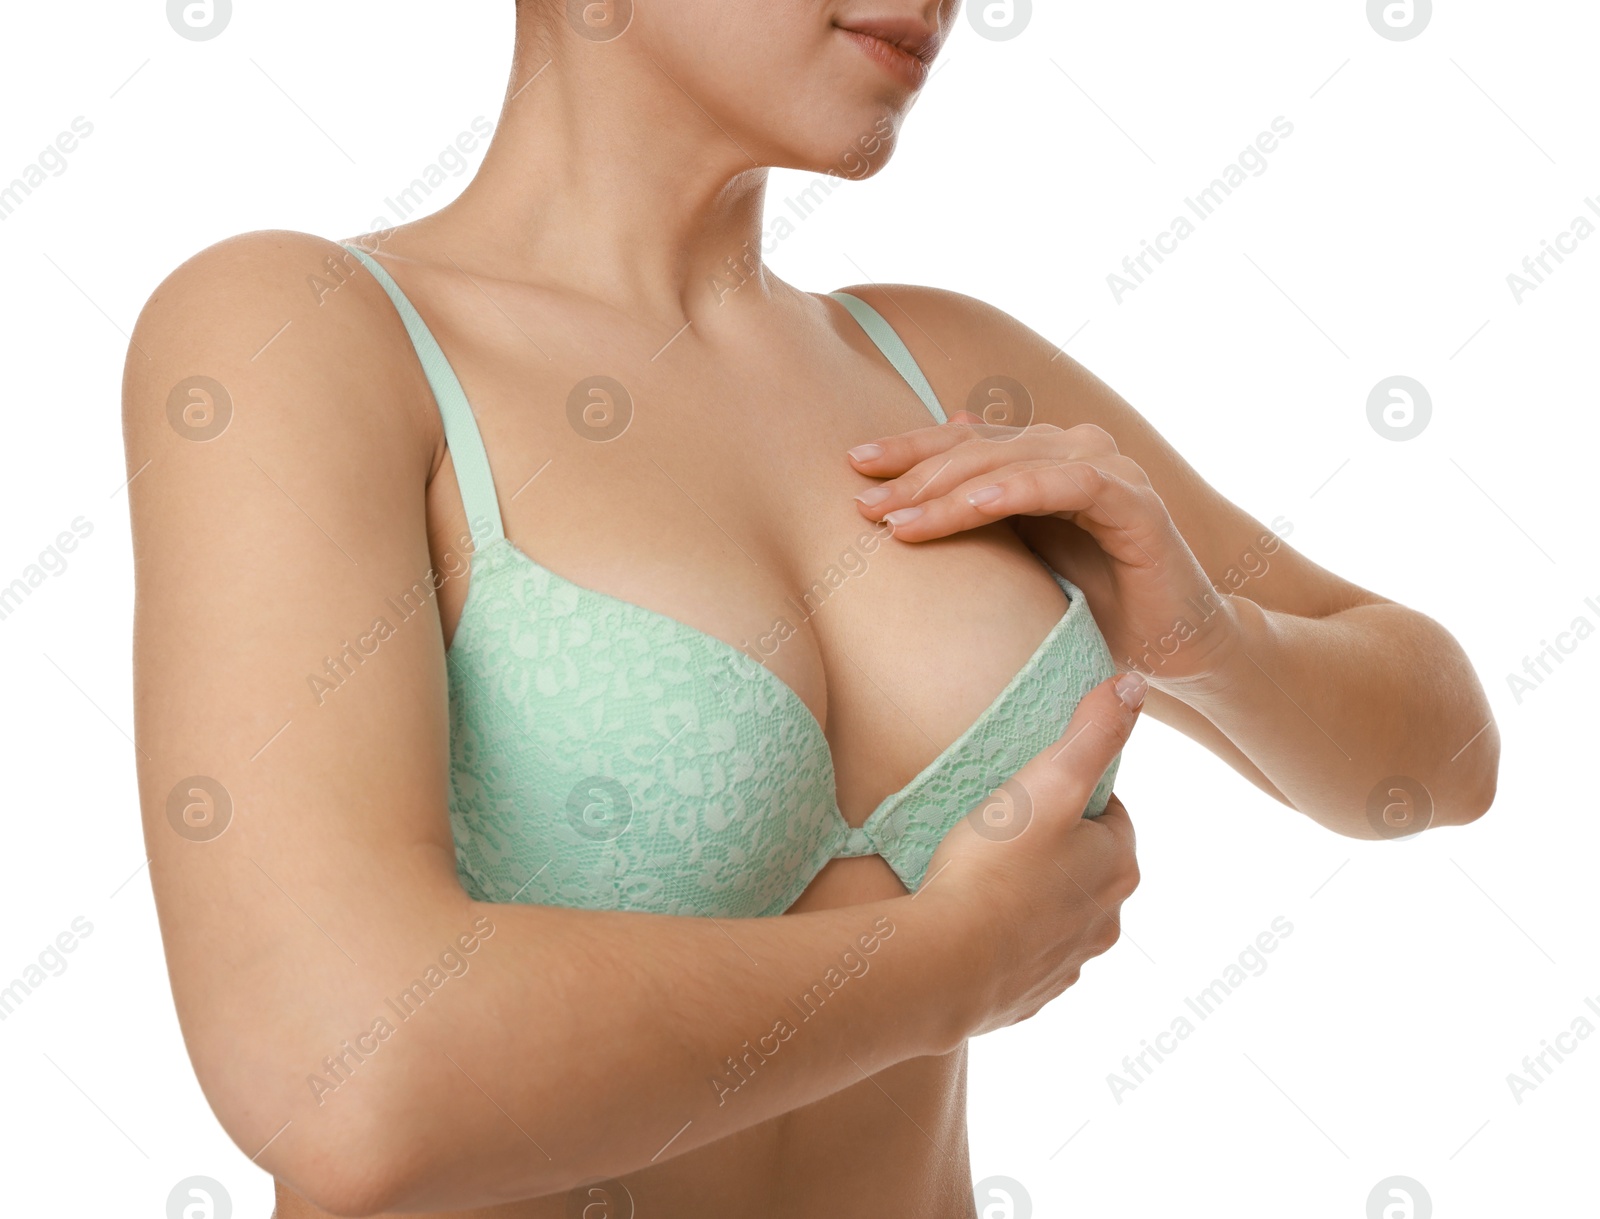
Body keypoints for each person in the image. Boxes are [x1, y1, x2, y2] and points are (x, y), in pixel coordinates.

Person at [120, 2, 1498, 1215]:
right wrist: (947, 964)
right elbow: (344, 1082)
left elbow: (1442, 764)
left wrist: (1202, 639)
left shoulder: (938, 366)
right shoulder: (297, 335)